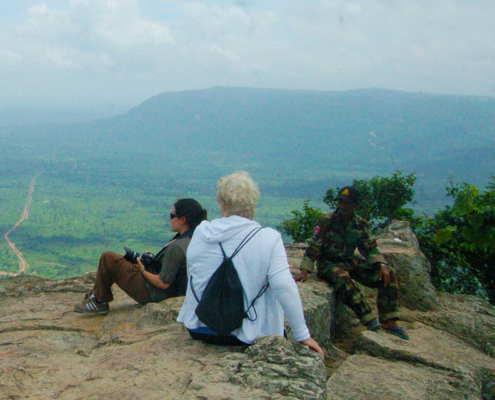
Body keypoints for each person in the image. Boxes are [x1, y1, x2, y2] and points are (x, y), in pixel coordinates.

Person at [177, 171, 324, 358]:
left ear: (222, 203)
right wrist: (303, 335)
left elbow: (194, 274)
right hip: (248, 335)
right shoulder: (269, 238)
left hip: (199, 327)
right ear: (253, 203)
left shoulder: (201, 232)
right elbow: (284, 286)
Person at [294, 186, 409, 340]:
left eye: (346, 203)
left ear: (355, 205)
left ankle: (389, 320)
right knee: (342, 278)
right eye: (340, 202)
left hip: (348, 261)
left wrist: (381, 265)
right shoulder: (326, 221)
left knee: (388, 274)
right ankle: (368, 318)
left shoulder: (360, 224)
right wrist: (305, 270)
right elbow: (314, 246)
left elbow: (370, 249)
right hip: (328, 264)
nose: (342, 206)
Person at [74, 198, 207, 316]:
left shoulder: (178, 247)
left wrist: (143, 270)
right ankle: (95, 296)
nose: (169, 219)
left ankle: (98, 302)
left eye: (172, 216)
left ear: (183, 219)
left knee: (108, 258)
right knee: (125, 260)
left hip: (155, 294)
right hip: (177, 291)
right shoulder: (195, 238)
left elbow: (163, 283)